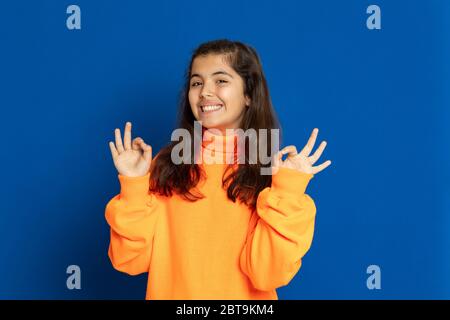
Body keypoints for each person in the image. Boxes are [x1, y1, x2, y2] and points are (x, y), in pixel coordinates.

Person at [105, 39, 331, 300]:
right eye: (196, 82)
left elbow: (267, 274)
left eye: (221, 80)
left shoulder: (271, 175)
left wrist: (289, 190)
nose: (205, 92)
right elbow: (130, 262)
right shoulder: (167, 166)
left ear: (249, 94)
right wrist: (134, 185)